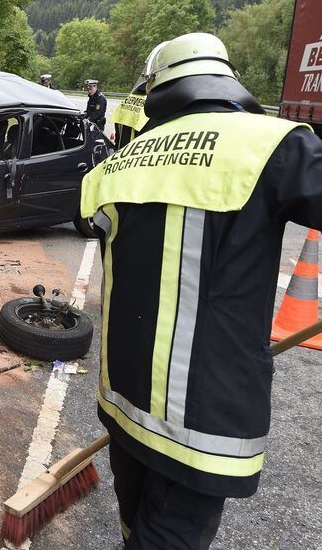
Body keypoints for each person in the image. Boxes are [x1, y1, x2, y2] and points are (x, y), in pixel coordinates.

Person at [80, 32, 322, 549]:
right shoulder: (273, 144)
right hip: (201, 421)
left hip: (123, 400)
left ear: (158, 89)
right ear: (223, 77)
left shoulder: (119, 163)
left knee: (135, 522)